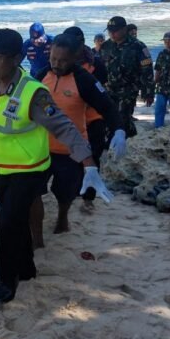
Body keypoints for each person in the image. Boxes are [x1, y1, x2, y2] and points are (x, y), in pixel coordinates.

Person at [0, 28, 113, 304]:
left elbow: (64, 128)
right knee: (16, 220)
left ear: (17, 59)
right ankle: (27, 268)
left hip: (29, 170)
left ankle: (6, 280)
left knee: (5, 224)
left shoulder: (33, 93)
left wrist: (89, 164)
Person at [32, 34, 124, 245]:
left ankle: (62, 216)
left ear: (74, 57)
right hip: (40, 148)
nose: (56, 64)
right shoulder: (41, 75)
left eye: (62, 60)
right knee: (34, 192)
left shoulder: (84, 80)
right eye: (53, 59)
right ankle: (37, 237)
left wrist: (119, 130)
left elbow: (108, 107)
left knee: (64, 193)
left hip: (71, 150)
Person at [62, 26, 110, 213]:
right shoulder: (59, 65)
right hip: (72, 121)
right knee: (73, 158)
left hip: (93, 119)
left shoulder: (96, 64)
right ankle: (75, 190)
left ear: (81, 43)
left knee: (93, 157)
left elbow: (102, 94)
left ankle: (88, 198)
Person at [100, 16, 155, 138]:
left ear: (124, 29)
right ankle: (129, 136)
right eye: (110, 31)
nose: (112, 34)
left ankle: (126, 141)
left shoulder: (138, 46)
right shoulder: (105, 46)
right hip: (109, 89)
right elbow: (100, 68)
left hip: (128, 90)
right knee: (109, 118)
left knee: (123, 118)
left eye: (115, 31)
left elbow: (147, 69)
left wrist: (148, 92)